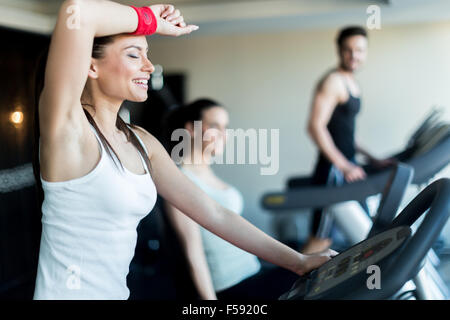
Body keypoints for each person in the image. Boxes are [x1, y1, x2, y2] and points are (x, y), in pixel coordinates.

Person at [32, 0, 335, 300]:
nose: (148, 67)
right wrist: (150, 19)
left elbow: (214, 214)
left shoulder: (141, 142)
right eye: (134, 55)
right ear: (90, 65)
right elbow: (77, 12)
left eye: (147, 55)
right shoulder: (68, 131)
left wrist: (299, 261)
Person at [164, 99, 300, 300]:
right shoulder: (180, 181)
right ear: (191, 129)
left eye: (225, 128)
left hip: (254, 272)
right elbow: (193, 253)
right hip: (233, 286)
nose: (223, 135)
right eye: (215, 126)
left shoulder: (208, 175)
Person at [304, 26, 395, 254]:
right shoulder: (333, 81)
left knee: (365, 232)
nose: (354, 55)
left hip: (348, 169)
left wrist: (374, 159)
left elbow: (348, 133)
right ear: (339, 50)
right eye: (348, 50)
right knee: (320, 241)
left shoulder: (351, 82)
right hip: (332, 172)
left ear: (365, 52)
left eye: (359, 50)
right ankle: (286, 288)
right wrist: (343, 165)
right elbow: (315, 127)